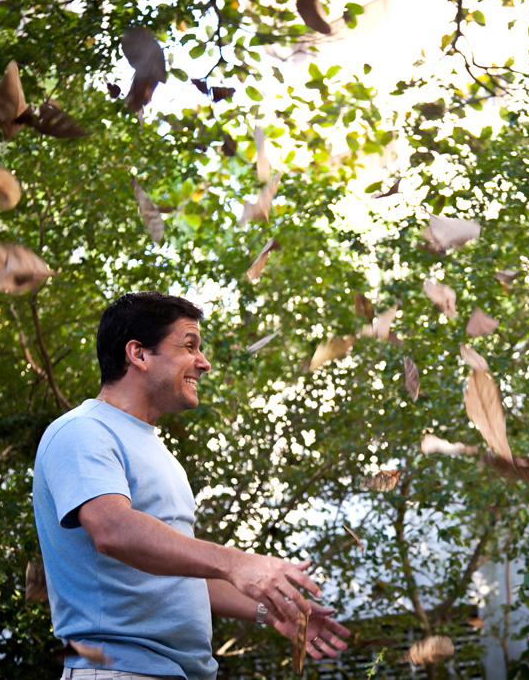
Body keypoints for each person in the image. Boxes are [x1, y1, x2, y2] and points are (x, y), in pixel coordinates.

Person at [33, 291, 350, 680]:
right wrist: (236, 562)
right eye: (189, 346)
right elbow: (113, 530)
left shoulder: (160, 454)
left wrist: (272, 610)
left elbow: (179, 571)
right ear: (139, 354)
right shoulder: (82, 431)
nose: (204, 363)